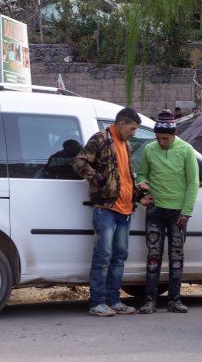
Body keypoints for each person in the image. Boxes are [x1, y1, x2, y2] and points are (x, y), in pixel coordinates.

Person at [73, 107, 148, 317]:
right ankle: (97, 302)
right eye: (132, 128)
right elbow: (79, 161)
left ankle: (113, 300)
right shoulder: (101, 139)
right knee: (103, 256)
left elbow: (126, 177)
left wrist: (138, 196)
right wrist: (96, 177)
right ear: (121, 124)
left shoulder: (127, 145)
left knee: (119, 257)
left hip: (125, 209)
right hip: (106, 207)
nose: (134, 132)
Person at [136, 109, 199, 314]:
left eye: (165, 138)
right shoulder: (149, 149)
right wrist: (142, 185)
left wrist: (187, 211)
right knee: (153, 255)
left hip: (178, 213)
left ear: (175, 135)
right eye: (158, 138)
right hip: (155, 210)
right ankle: (149, 300)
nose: (161, 141)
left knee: (176, 256)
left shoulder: (186, 150)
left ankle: (175, 300)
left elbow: (193, 183)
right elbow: (142, 174)